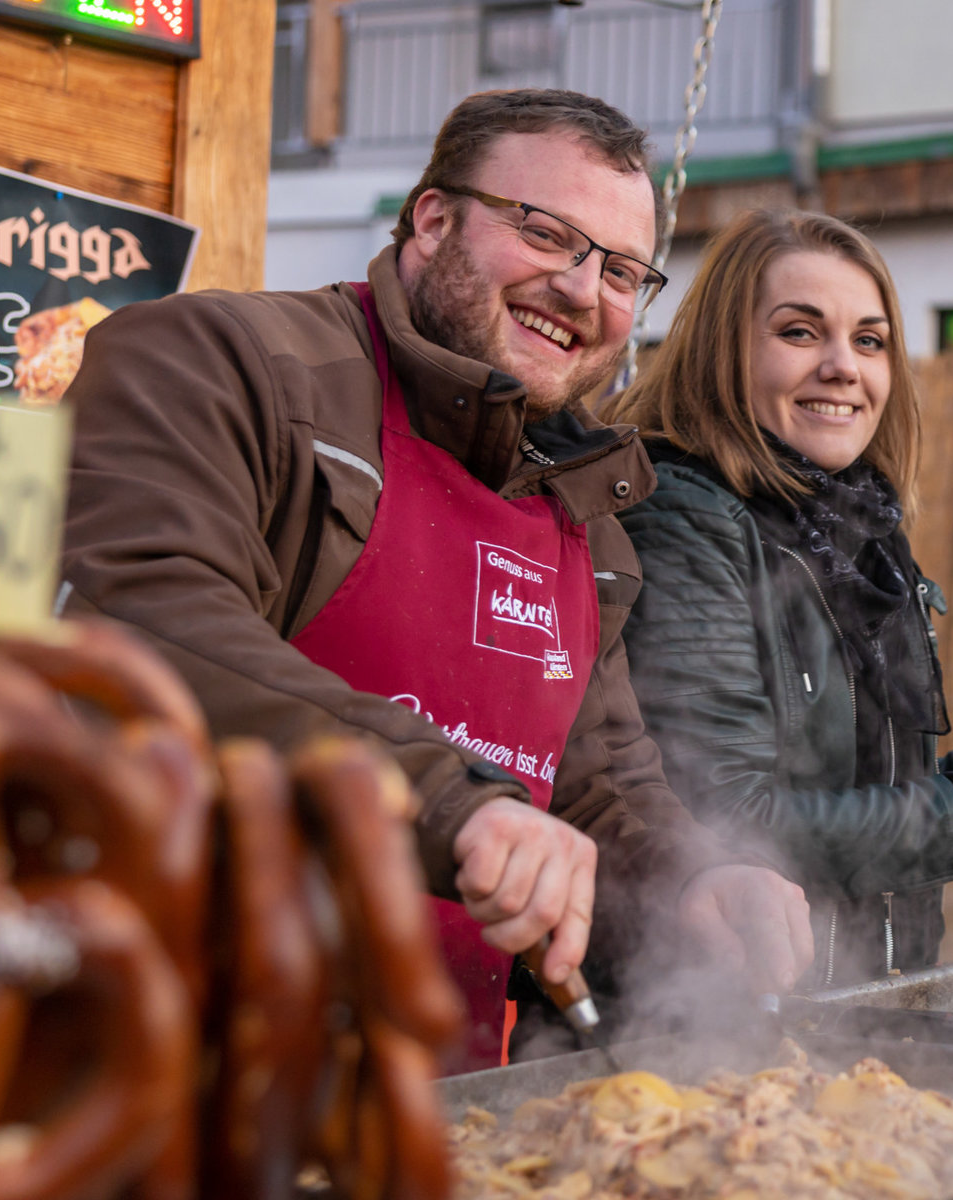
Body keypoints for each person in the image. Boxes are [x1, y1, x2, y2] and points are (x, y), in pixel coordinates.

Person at [58, 91, 813, 1070]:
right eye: (546, 233)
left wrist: (695, 879)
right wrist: (454, 805)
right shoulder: (219, 364)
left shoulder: (587, 525)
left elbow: (600, 786)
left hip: (436, 1104)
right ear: (432, 218)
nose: (585, 290)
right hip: (152, 1075)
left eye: (623, 270)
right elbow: (136, 628)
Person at [598, 210, 953, 986]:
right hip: (725, 1021)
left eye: (869, 340)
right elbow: (723, 821)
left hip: (863, 1008)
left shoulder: (855, 531)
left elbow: (865, 795)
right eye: (799, 332)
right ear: (724, 351)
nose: (842, 367)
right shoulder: (685, 519)